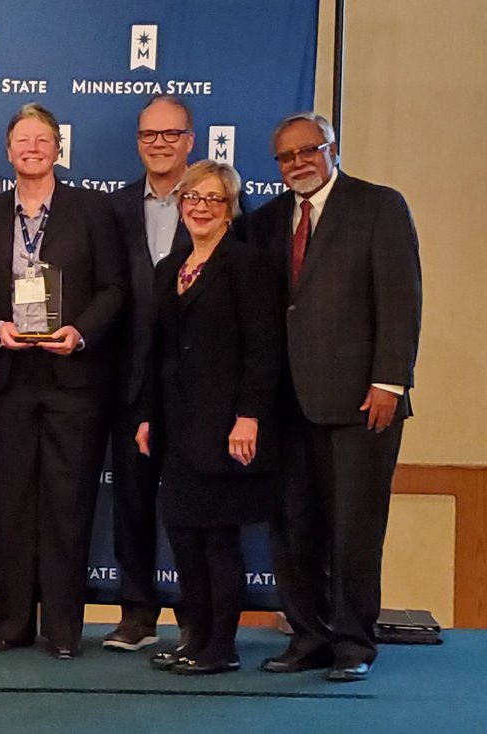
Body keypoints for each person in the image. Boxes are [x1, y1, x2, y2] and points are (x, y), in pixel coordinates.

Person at [238, 112, 422, 682]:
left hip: (361, 403)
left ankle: (353, 643)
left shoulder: (379, 206)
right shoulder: (265, 222)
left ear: (332, 148)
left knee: (354, 526)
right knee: (293, 528)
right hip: (286, 405)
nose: (297, 163)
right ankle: (308, 636)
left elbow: (401, 298)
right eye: (285, 157)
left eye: (307, 151)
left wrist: (390, 381)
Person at [0, 104, 126, 659]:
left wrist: (80, 332)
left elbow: (114, 289)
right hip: (8, 379)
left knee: (68, 504)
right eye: (22, 140)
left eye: (42, 139)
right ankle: (11, 623)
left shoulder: (92, 209)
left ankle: (63, 629)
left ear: (58, 149)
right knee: (10, 504)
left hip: (73, 380)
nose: (32, 148)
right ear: (8, 151)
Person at [136, 160, 281, 675]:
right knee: (183, 536)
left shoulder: (247, 264)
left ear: (230, 208)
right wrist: (148, 417)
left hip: (225, 426)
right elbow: (160, 353)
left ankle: (221, 647)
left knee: (218, 539)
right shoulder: (168, 268)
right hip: (177, 427)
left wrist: (249, 416)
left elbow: (263, 349)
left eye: (212, 199)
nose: (199, 207)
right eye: (191, 197)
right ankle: (194, 639)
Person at [105, 95, 195, 652]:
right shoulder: (112, 209)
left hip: (195, 388)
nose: (159, 144)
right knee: (133, 503)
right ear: (138, 141)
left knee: (192, 504)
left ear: (190, 139)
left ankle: (196, 616)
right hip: (129, 382)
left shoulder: (220, 205)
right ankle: (137, 612)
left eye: (170, 134)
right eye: (149, 135)